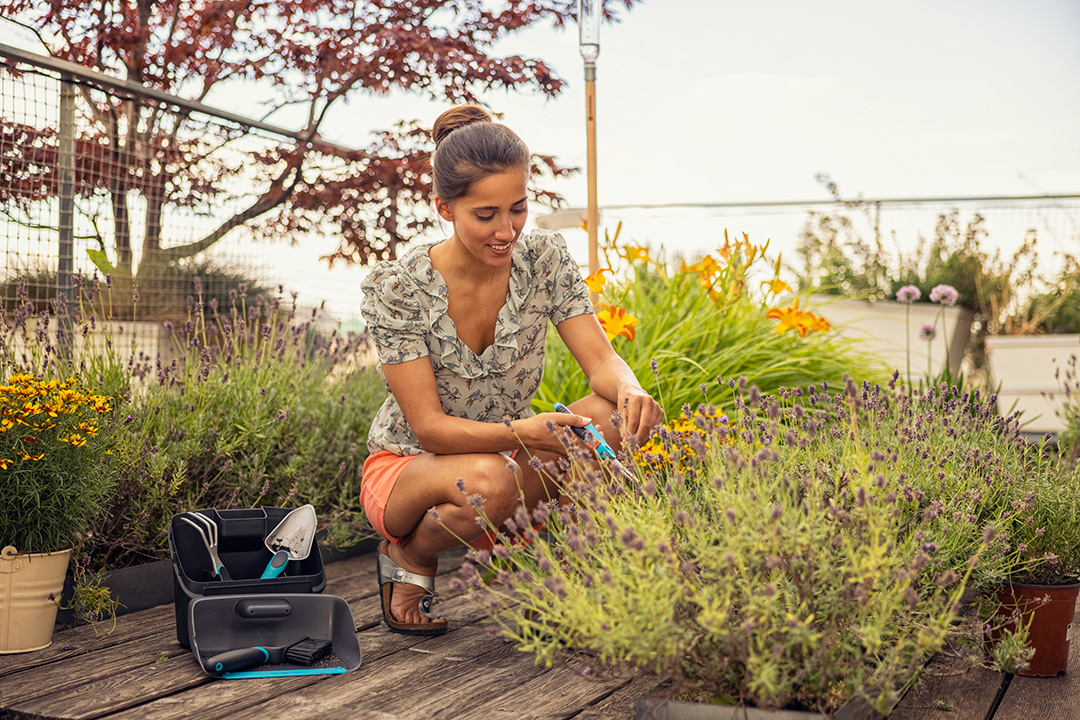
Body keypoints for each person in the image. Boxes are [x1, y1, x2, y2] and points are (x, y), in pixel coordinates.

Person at [359, 104, 664, 636]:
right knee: (491, 480)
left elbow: (601, 362)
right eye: (486, 215)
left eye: (518, 209)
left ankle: (570, 581)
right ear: (444, 208)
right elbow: (429, 427)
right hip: (414, 465)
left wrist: (631, 388)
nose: (507, 231)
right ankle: (410, 555)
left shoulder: (543, 259)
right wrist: (523, 434)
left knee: (614, 417)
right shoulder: (399, 286)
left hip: (507, 450)